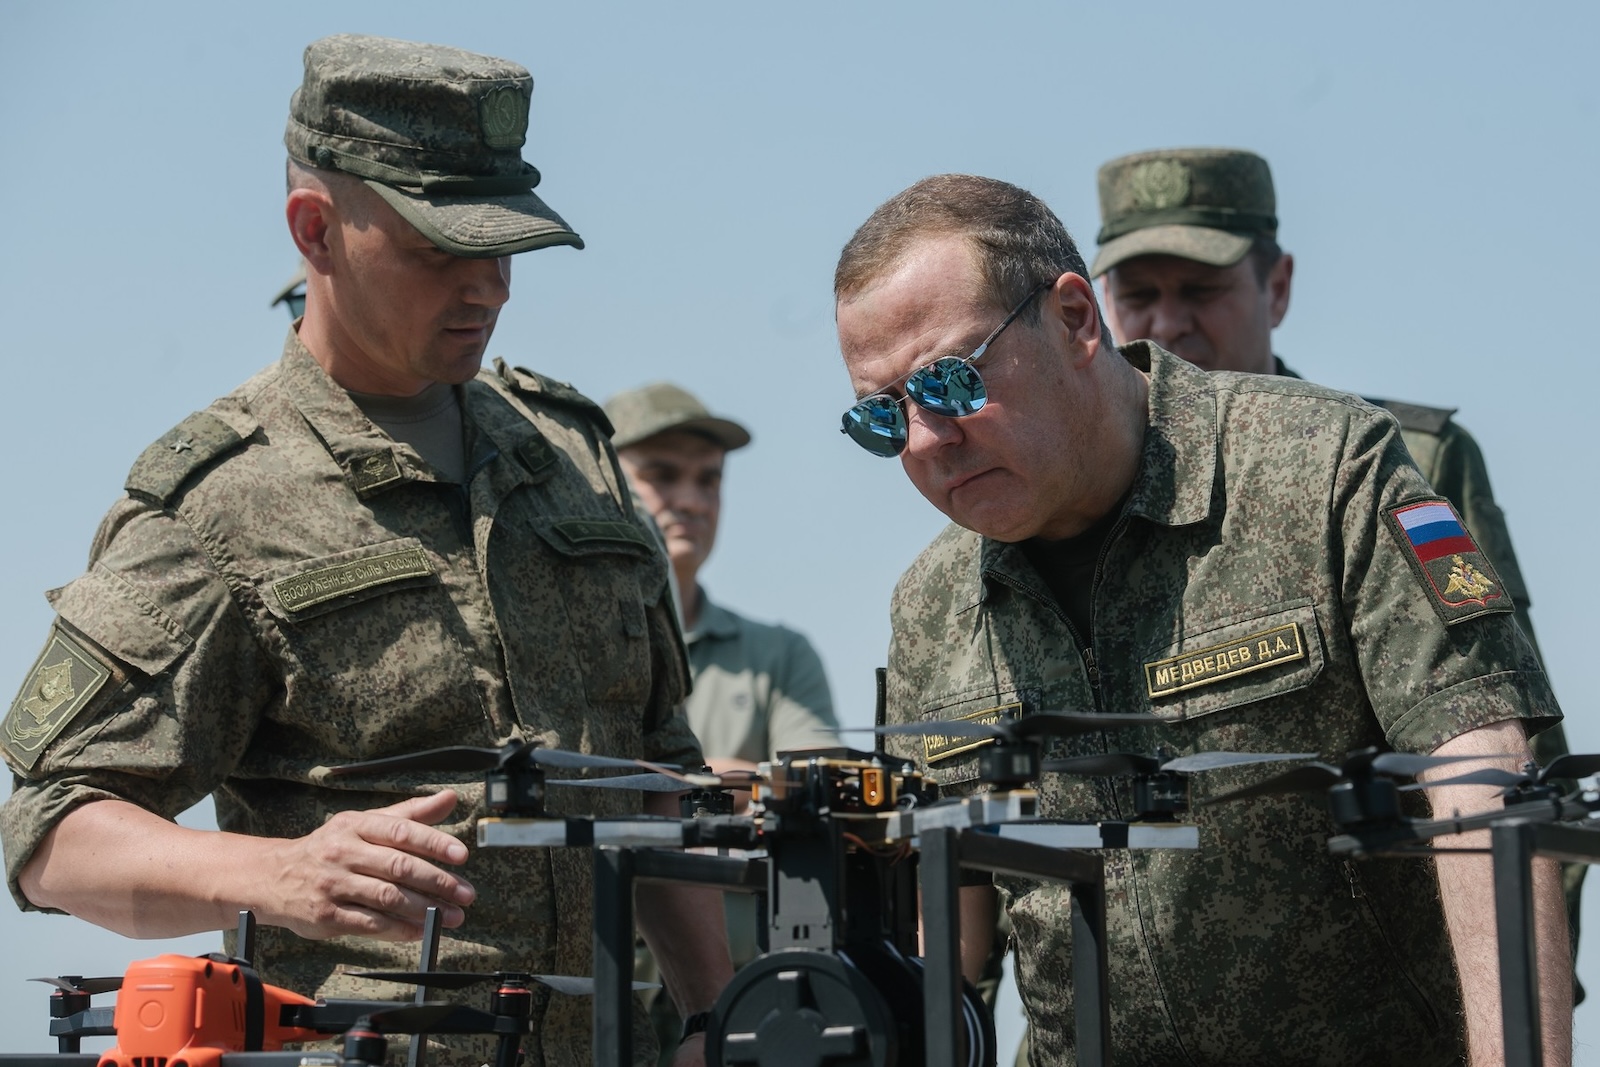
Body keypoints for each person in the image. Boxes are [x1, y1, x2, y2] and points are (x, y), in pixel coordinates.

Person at [0, 34, 730, 1067]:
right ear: (317, 231)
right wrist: (276, 872)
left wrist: (709, 1015)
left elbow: (653, 772)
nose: (489, 287)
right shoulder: (219, 503)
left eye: (505, 245)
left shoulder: (572, 455)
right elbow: (49, 833)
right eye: (441, 248)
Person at [832, 174, 1570, 1065]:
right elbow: (948, 918)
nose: (923, 439)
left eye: (950, 382)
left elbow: (1483, 781)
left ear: (1074, 321)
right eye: (883, 416)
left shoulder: (1324, 471)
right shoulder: (930, 606)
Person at [1090, 144, 1584, 996]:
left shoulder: (1392, 463)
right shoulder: (1071, 503)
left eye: (1201, 291)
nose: (1168, 325)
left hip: (1378, 1013)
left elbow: (1518, 767)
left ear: (1276, 286)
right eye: (1139, 296)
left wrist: (1517, 1018)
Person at [604, 381, 842, 1063]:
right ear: (602, 483)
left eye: (710, 480)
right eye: (662, 474)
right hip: (597, 995)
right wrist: (737, 783)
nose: (693, 499)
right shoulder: (581, 656)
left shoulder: (775, 655)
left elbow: (819, 787)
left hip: (745, 1001)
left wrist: (669, 791)